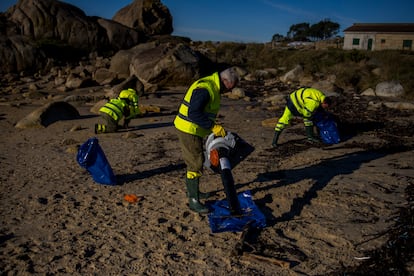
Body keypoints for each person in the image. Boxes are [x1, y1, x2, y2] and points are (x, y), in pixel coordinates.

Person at [174, 67, 239, 214]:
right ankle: (193, 201)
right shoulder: (205, 88)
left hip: (194, 129)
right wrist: (213, 127)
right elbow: (194, 112)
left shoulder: (213, 86)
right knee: (195, 163)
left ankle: (194, 192)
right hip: (188, 129)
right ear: (225, 81)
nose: (230, 91)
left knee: (197, 160)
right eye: (231, 87)